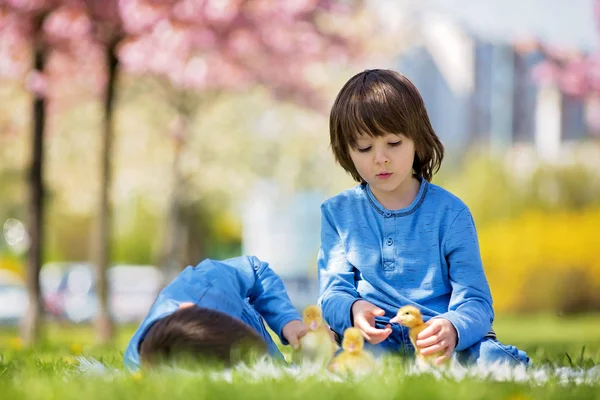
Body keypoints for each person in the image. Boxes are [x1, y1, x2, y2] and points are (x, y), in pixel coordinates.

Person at [317, 69, 530, 367]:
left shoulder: (451, 213)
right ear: (346, 151)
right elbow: (332, 292)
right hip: (375, 341)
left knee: (490, 361)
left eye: (393, 143)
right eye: (364, 147)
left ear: (417, 139)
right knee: (340, 365)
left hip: (441, 343)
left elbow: (476, 300)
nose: (381, 158)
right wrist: (353, 308)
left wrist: (454, 327)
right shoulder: (337, 213)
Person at [124, 256, 308, 370]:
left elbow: (255, 270)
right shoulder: (141, 367)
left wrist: (287, 320)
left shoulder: (208, 288)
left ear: (189, 308)